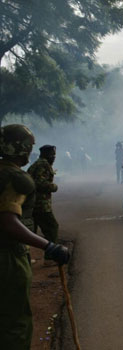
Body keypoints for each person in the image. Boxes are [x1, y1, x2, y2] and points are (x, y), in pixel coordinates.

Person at [0, 124, 70, 349]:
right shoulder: (13, 178)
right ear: (18, 147)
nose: (30, 151)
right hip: (8, 256)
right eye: (28, 146)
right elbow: (7, 222)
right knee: (15, 321)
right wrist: (49, 246)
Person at [27, 145, 60, 261]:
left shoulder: (37, 164)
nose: (54, 158)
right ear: (46, 154)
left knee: (30, 231)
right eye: (52, 155)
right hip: (40, 204)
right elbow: (39, 183)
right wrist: (53, 187)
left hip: (31, 203)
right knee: (52, 228)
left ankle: (26, 257)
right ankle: (50, 257)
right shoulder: (43, 165)